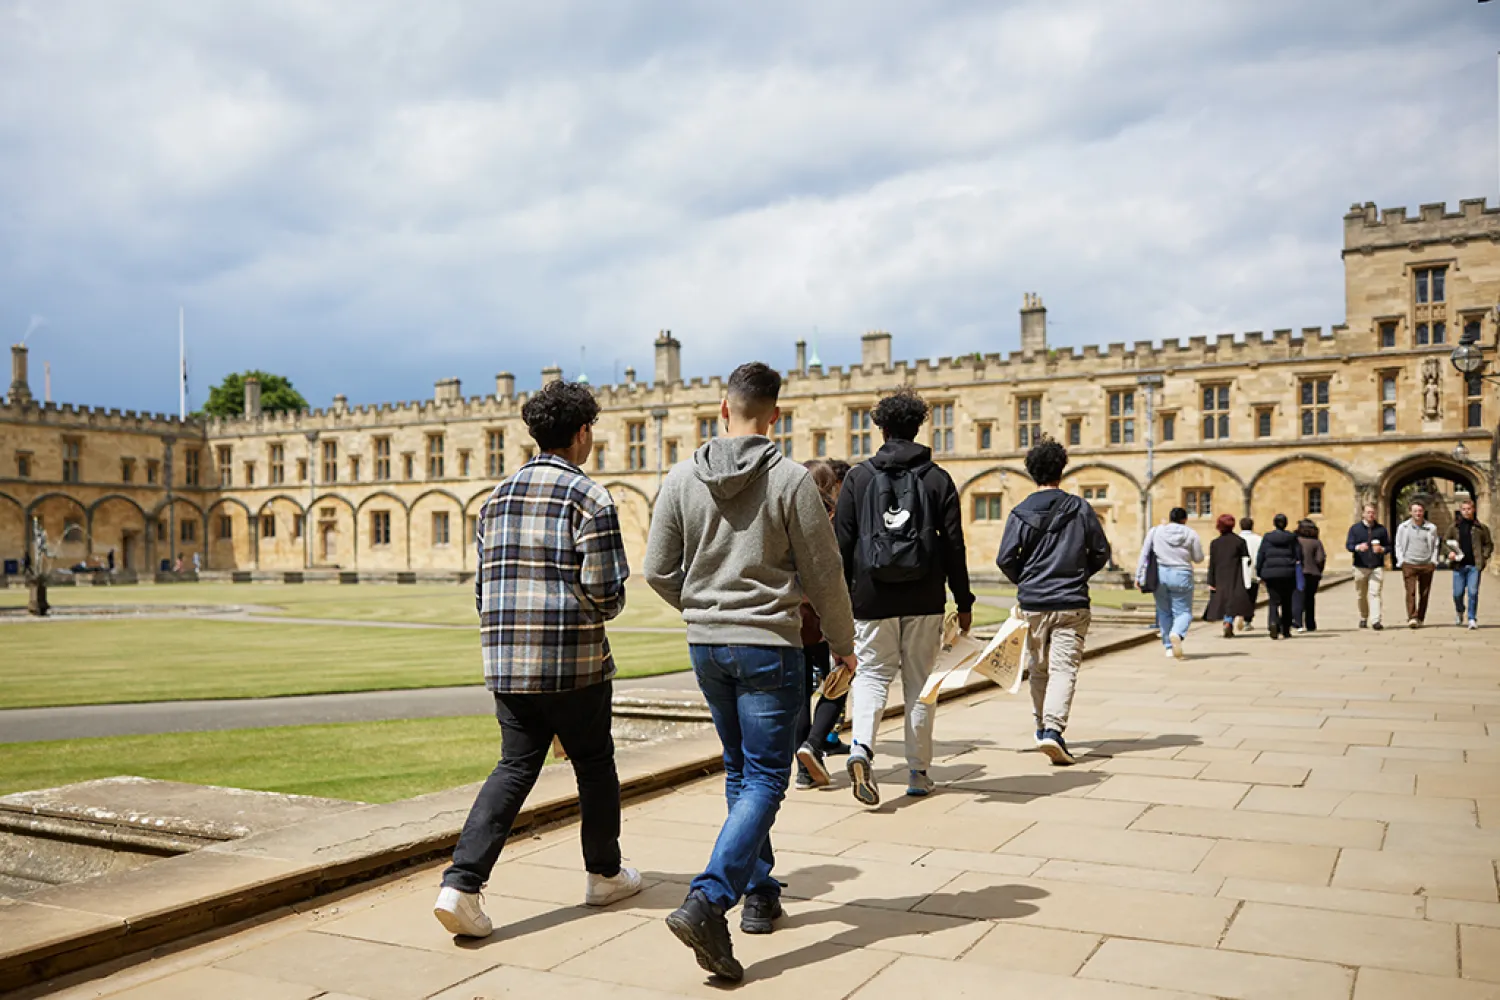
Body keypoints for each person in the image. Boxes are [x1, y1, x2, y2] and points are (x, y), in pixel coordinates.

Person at [645, 362, 855, 983]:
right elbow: (825, 575)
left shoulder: (681, 477)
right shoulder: (790, 480)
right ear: (776, 416)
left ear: (720, 408)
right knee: (767, 778)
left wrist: (705, 609)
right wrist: (844, 645)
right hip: (769, 646)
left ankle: (759, 895)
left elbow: (658, 570)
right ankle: (709, 900)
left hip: (707, 648)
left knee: (741, 774)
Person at [433, 380, 641, 940]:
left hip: (505, 661)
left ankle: (461, 885)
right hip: (573, 663)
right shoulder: (589, 498)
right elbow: (607, 594)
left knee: (515, 766)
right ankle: (604, 874)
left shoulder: (494, 499)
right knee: (594, 765)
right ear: (581, 433)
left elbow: (483, 591)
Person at [835, 388, 975, 806]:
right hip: (924, 598)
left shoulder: (858, 478)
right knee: (920, 685)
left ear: (881, 428)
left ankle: (861, 748)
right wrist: (963, 600)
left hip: (870, 598)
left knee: (873, 677)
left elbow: (839, 546)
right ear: (918, 427)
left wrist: (841, 603)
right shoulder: (937, 478)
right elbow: (954, 545)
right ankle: (918, 773)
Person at [995, 438, 1110, 766]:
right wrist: (1079, 575)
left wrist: (1027, 582)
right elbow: (1100, 551)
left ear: (1031, 472)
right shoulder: (1079, 508)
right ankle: (1053, 731)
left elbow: (1005, 558)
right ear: (1062, 469)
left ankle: (1043, 726)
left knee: (1040, 668)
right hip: (1071, 601)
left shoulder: (1020, 511)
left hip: (1033, 603)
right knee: (1063, 669)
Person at [794, 460, 850, 789]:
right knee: (840, 681)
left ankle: (803, 771)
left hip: (791, 623)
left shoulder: (787, 515)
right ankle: (813, 744)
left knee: (799, 696)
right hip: (823, 620)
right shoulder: (830, 520)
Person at [1136, 507, 1203, 659]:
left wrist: (1138, 576)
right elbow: (1198, 557)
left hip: (1160, 574)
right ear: (1184, 519)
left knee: (1163, 611)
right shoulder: (1191, 533)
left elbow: (1144, 553)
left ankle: (1168, 646)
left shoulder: (1155, 531)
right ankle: (1177, 633)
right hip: (1182, 574)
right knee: (1184, 611)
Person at [1444, 497, 1492, 629]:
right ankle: (1460, 611)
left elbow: (1488, 544)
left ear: (1473, 510)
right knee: (1457, 594)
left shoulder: (1481, 528)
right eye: (1464, 509)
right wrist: (1449, 553)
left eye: (1469, 509)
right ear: (1460, 511)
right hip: (1458, 566)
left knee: (1473, 592)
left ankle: (1472, 618)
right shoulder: (1454, 527)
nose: (1466, 512)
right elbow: (1445, 542)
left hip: (1474, 566)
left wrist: (1484, 557)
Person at [1205, 514, 1253, 638]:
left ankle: (1227, 622)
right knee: (1233, 600)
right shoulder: (1240, 541)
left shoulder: (1215, 543)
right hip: (1235, 575)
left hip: (1220, 575)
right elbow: (1246, 559)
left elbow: (1212, 563)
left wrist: (1211, 580)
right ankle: (1228, 621)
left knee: (1223, 601)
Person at [1256, 513, 1302, 639]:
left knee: (1273, 601)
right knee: (1287, 601)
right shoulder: (1292, 537)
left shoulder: (1267, 537)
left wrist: (1259, 572)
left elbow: (1261, 555)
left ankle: (1273, 623)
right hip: (1288, 573)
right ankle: (1286, 629)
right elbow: (1298, 555)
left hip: (1270, 573)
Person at [1395, 501, 1441, 628]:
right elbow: (1398, 544)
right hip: (1409, 563)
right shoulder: (1403, 527)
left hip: (1426, 564)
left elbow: (1436, 545)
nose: (1418, 513)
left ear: (1424, 512)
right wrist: (1401, 560)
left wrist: (1433, 561)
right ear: (1410, 512)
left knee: (1424, 593)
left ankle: (1420, 617)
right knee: (1410, 592)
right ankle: (1412, 617)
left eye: (1420, 511)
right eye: (1415, 511)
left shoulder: (1431, 528)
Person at [1346, 503, 1390, 630]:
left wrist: (1382, 549)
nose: (1371, 515)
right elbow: (1349, 545)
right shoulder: (1355, 529)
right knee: (1361, 594)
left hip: (1376, 566)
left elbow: (1388, 547)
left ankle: (1376, 620)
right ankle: (1363, 616)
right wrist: (1358, 547)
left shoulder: (1381, 530)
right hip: (1360, 566)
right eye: (1368, 512)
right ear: (1363, 514)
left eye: (1373, 512)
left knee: (1375, 593)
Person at [1291, 520, 1327, 633]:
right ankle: (1310, 623)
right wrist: (1319, 570)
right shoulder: (1316, 543)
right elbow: (1320, 559)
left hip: (1298, 573)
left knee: (1298, 598)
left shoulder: (1295, 541)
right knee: (1310, 599)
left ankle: (1298, 621)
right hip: (1313, 573)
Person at [1238, 518, 1262, 632]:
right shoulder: (1259, 539)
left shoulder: (1237, 539)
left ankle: (1239, 614)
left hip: (1240, 573)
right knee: (1251, 597)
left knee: (1240, 596)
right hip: (1254, 572)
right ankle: (1247, 621)